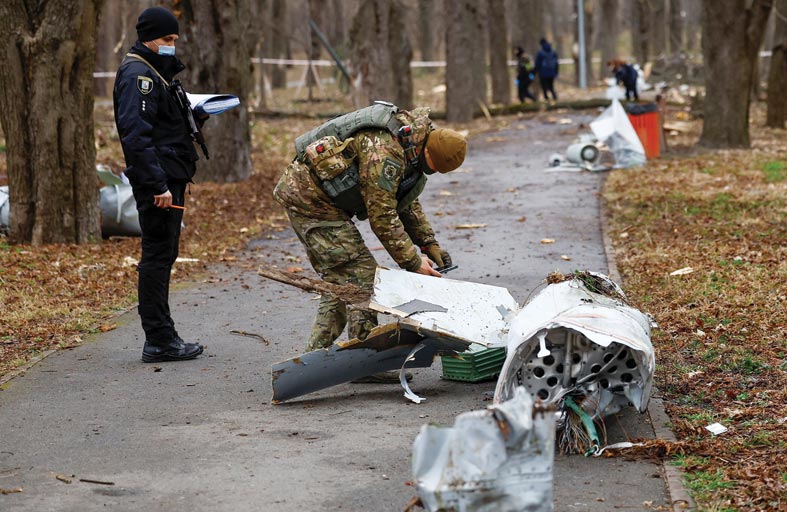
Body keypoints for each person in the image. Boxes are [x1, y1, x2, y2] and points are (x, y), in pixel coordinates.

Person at [274, 102, 466, 382]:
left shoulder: (411, 142)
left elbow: (403, 198)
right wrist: (413, 262)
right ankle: (343, 361)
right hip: (309, 201)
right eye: (431, 167)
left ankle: (342, 360)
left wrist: (428, 242)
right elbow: (383, 216)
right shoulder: (384, 151)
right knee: (360, 276)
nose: (428, 171)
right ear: (427, 149)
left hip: (328, 203)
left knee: (346, 281)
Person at [113, 6, 206, 363]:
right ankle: (159, 339)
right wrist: (157, 185)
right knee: (156, 255)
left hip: (168, 175)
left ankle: (164, 335)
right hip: (159, 181)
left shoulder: (154, 71)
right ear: (149, 37)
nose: (172, 46)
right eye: (167, 39)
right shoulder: (140, 76)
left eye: (174, 40)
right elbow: (136, 137)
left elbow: (160, 125)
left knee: (164, 254)